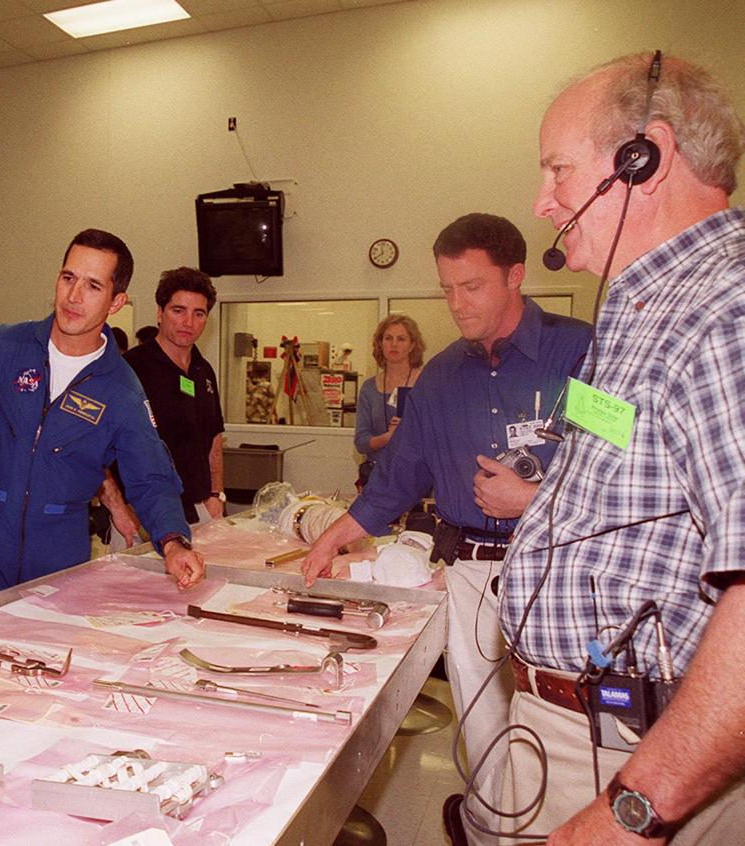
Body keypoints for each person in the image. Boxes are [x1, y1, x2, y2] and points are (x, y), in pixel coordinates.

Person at [497, 52, 745, 844]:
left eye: (559, 171)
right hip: (577, 728)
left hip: (639, 767)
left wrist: (633, 810)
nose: (543, 202)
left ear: (646, 158)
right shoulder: (642, 310)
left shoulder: (724, 308)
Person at [300, 213, 592, 846]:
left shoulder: (580, 352)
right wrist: (335, 534)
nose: (457, 305)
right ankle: (488, 833)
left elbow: (626, 461)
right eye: (447, 289)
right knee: (483, 723)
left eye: (473, 287)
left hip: (561, 569)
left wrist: (537, 499)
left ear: (515, 277)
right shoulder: (438, 379)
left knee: (560, 728)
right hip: (471, 574)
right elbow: (400, 475)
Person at [0, 229, 205, 604]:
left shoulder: (121, 390)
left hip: (57, 555)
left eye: (93, 286)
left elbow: (151, 477)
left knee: (48, 654)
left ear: (116, 302)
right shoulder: (2, 346)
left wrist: (173, 542)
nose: (73, 296)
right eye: (69, 278)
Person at [100, 267, 225, 544]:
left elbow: (214, 437)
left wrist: (217, 496)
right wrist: (118, 507)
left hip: (200, 514)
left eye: (198, 313)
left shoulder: (203, 371)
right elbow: (94, 448)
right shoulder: (128, 370)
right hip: (140, 519)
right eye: (178, 310)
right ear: (160, 313)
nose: (188, 322)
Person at [354, 314, 425, 489]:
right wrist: (388, 438)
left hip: (417, 477)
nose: (394, 344)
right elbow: (361, 442)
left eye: (401, 339)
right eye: (388, 338)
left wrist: (408, 430)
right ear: (380, 344)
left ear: (412, 345)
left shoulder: (426, 383)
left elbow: (438, 435)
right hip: (377, 477)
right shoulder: (369, 388)